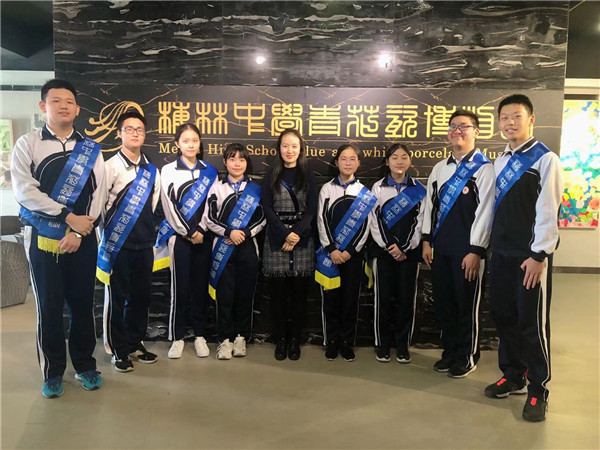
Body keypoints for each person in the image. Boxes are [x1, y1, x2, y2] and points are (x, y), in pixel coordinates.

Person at [11, 79, 106, 397]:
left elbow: (99, 194)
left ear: (77, 109)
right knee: (48, 307)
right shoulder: (28, 143)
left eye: (69, 101)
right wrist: (67, 217)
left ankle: (85, 366)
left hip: (83, 238)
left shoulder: (91, 149)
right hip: (42, 238)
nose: (63, 106)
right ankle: (52, 372)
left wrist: (78, 230)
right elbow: (24, 191)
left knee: (82, 305)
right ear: (43, 106)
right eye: (56, 100)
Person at [484, 94, 563, 422]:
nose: (510, 123)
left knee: (532, 324)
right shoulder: (499, 162)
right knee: (504, 317)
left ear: (531, 119)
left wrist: (539, 254)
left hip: (529, 258)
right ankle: (513, 374)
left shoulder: (545, 159)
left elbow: (549, 209)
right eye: (504, 117)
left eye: (516, 116)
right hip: (500, 255)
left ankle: (538, 388)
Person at [421, 109, 495, 378]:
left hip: (468, 252)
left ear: (476, 132)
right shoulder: (440, 168)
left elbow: (486, 212)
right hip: (441, 249)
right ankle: (450, 352)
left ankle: (467, 355)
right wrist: (426, 240)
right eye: (453, 126)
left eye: (464, 126)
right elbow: (430, 207)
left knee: (467, 305)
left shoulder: (484, 169)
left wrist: (476, 250)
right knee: (445, 303)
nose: (457, 131)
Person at [98, 110, 161, 372]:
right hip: (118, 246)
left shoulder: (151, 170)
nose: (135, 134)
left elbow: (153, 205)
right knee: (116, 298)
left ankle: (135, 343)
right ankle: (118, 349)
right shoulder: (109, 166)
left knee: (140, 298)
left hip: (144, 245)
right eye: (129, 129)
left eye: (140, 130)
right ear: (119, 133)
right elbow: (100, 207)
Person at [157, 123, 217, 359]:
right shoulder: (168, 170)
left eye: (194, 140)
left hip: (203, 237)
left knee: (200, 287)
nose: (191, 145)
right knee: (179, 288)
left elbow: (212, 204)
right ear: (177, 144)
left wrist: (201, 229)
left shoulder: (210, 171)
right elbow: (168, 205)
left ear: (200, 144)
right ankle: (177, 336)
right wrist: (188, 231)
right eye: (185, 141)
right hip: (179, 237)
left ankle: (200, 335)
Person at [203, 143, 266, 360]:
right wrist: (230, 232)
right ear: (225, 161)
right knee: (224, 296)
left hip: (248, 248)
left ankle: (241, 337)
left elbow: (262, 218)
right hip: (223, 247)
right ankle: (225, 339)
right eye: (232, 159)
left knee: (245, 295)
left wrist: (245, 233)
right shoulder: (216, 187)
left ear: (247, 163)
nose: (237, 163)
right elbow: (209, 218)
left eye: (241, 159)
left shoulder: (255, 189)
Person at [261, 129, 318, 361]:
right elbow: (266, 207)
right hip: (276, 239)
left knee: (299, 296)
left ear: (300, 149)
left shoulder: (308, 175)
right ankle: (281, 339)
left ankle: (295, 339)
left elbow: (312, 209)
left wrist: (296, 234)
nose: (290, 150)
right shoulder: (271, 174)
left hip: (302, 240)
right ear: (279, 148)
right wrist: (284, 234)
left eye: (294, 146)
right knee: (277, 296)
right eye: (285, 145)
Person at [316, 143, 374, 361]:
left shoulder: (364, 193)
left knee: (350, 300)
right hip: (330, 255)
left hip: (353, 256)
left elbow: (366, 226)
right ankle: (331, 341)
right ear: (336, 162)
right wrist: (331, 249)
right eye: (343, 158)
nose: (348, 163)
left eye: (352, 159)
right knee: (331, 300)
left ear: (358, 163)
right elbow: (321, 220)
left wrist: (350, 250)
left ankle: (347, 342)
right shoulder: (327, 189)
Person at [369, 144, 425, 364]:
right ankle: (382, 345)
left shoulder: (419, 189)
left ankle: (402, 345)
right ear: (387, 162)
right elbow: (374, 220)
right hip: (384, 254)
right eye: (394, 157)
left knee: (406, 300)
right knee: (382, 300)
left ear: (410, 161)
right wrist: (391, 246)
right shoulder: (378, 188)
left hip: (409, 254)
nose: (399, 161)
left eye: (404, 157)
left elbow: (420, 222)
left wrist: (405, 247)